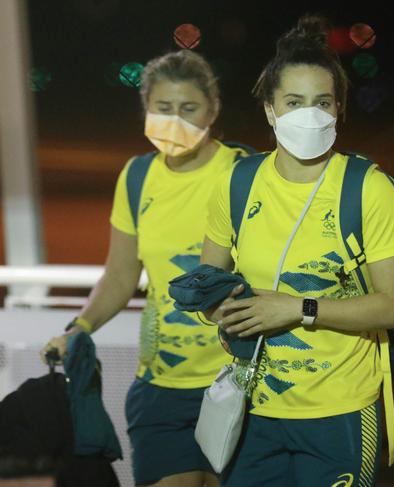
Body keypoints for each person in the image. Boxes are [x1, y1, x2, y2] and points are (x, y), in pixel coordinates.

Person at [199, 15, 394, 487]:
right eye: (294, 102)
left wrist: (298, 309)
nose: (309, 114)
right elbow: (208, 282)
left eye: (322, 102)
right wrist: (220, 311)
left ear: (339, 109)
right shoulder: (236, 183)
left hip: (338, 411)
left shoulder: (370, 190)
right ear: (270, 111)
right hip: (254, 410)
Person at [40, 49, 249, 487]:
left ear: (213, 108)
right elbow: (119, 276)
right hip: (161, 389)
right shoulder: (137, 177)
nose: (175, 120)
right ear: (146, 110)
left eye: (189, 108)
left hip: (238, 383)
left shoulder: (245, 173)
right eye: (163, 108)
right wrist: (80, 326)